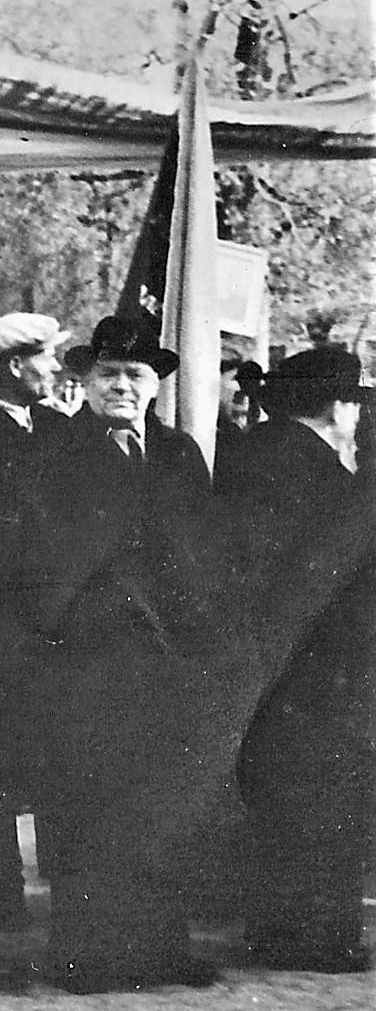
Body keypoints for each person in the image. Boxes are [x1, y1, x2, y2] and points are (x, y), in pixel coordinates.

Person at [11, 313, 221, 993]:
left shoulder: (180, 454)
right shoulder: (53, 452)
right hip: (86, 662)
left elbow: (203, 554)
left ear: (156, 383)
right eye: (108, 375)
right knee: (87, 809)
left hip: (166, 663)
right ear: (85, 380)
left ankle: (162, 948)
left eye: (136, 375)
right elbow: (31, 558)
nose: (122, 387)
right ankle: (83, 955)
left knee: (159, 808)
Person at [221, 347, 374, 973]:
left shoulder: (251, 455)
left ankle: (276, 930)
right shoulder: (330, 480)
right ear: (339, 407)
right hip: (321, 670)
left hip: (261, 667)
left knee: (277, 800)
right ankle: (319, 940)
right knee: (325, 802)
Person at [0, 312, 71, 931]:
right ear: (14, 365)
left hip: (53, 619)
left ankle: (60, 886)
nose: (56, 369)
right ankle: (2, 890)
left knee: (55, 749)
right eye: (47, 359)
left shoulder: (57, 429)